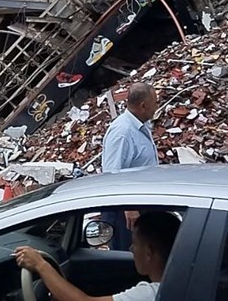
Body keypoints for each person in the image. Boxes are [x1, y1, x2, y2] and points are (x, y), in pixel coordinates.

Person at [14, 210, 182, 301]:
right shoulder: (179, 285)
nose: (130, 248)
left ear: (149, 253)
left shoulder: (153, 294)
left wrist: (41, 266)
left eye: (135, 244)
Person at [100, 82, 159, 249]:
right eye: (155, 103)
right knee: (127, 259)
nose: (157, 107)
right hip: (125, 213)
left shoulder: (140, 125)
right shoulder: (122, 133)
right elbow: (112, 175)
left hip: (140, 205)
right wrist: (129, 208)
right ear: (143, 106)